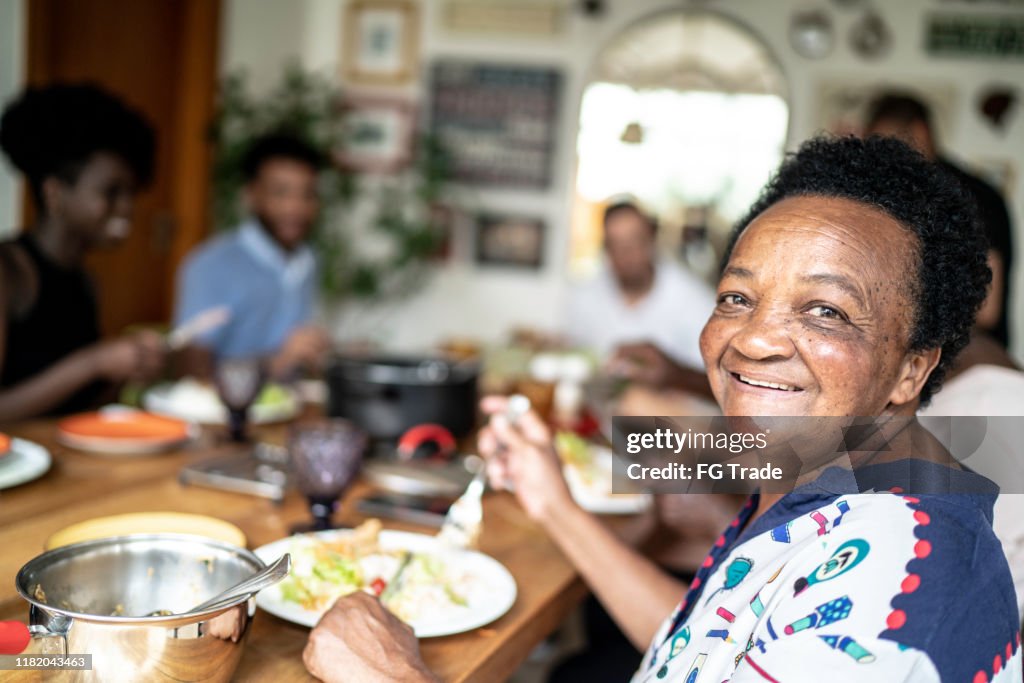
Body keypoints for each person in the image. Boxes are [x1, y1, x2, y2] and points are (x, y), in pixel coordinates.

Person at [302, 136, 1022, 682]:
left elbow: (696, 451)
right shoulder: (825, 483)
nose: (755, 337)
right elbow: (701, 648)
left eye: (825, 310)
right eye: (737, 297)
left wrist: (392, 676)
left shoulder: (896, 590)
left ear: (913, 367)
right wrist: (555, 501)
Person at [0, 83, 166, 420]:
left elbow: (78, 410)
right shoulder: (9, 272)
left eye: (131, 193)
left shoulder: (86, 282)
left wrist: (125, 371)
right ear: (55, 193)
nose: (127, 207)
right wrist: (94, 362)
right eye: (112, 191)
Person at [865, 92, 1015, 348]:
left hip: (971, 353)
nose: (885, 159)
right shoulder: (907, 193)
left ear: (920, 132)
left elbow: (986, 309)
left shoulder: (973, 197)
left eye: (890, 145)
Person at [175, 132, 330, 378]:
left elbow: (295, 350)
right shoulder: (210, 265)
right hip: (227, 403)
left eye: (307, 194)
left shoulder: (309, 260)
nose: (295, 207)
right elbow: (193, 373)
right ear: (251, 194)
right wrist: (277, 362)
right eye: (280, 193)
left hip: (292, 399)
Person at [566, 201, 716, 374]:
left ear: (651, 240)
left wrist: (671, 373)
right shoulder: (585, 293)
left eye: (634, 240)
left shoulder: (694, 300)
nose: (625, 253)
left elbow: (714, 376)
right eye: (615, 244)